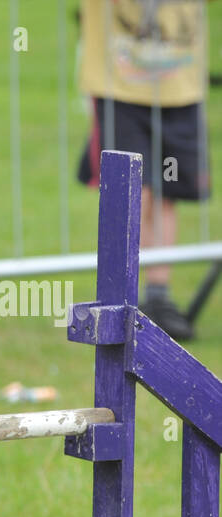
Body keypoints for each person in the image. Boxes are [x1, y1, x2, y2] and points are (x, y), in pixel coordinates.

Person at [76, 0, 211, 342]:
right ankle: (123, 298)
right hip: (119, 91)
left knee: (167, 194)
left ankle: (158, 296)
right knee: (135, 192)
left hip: (181, 92)